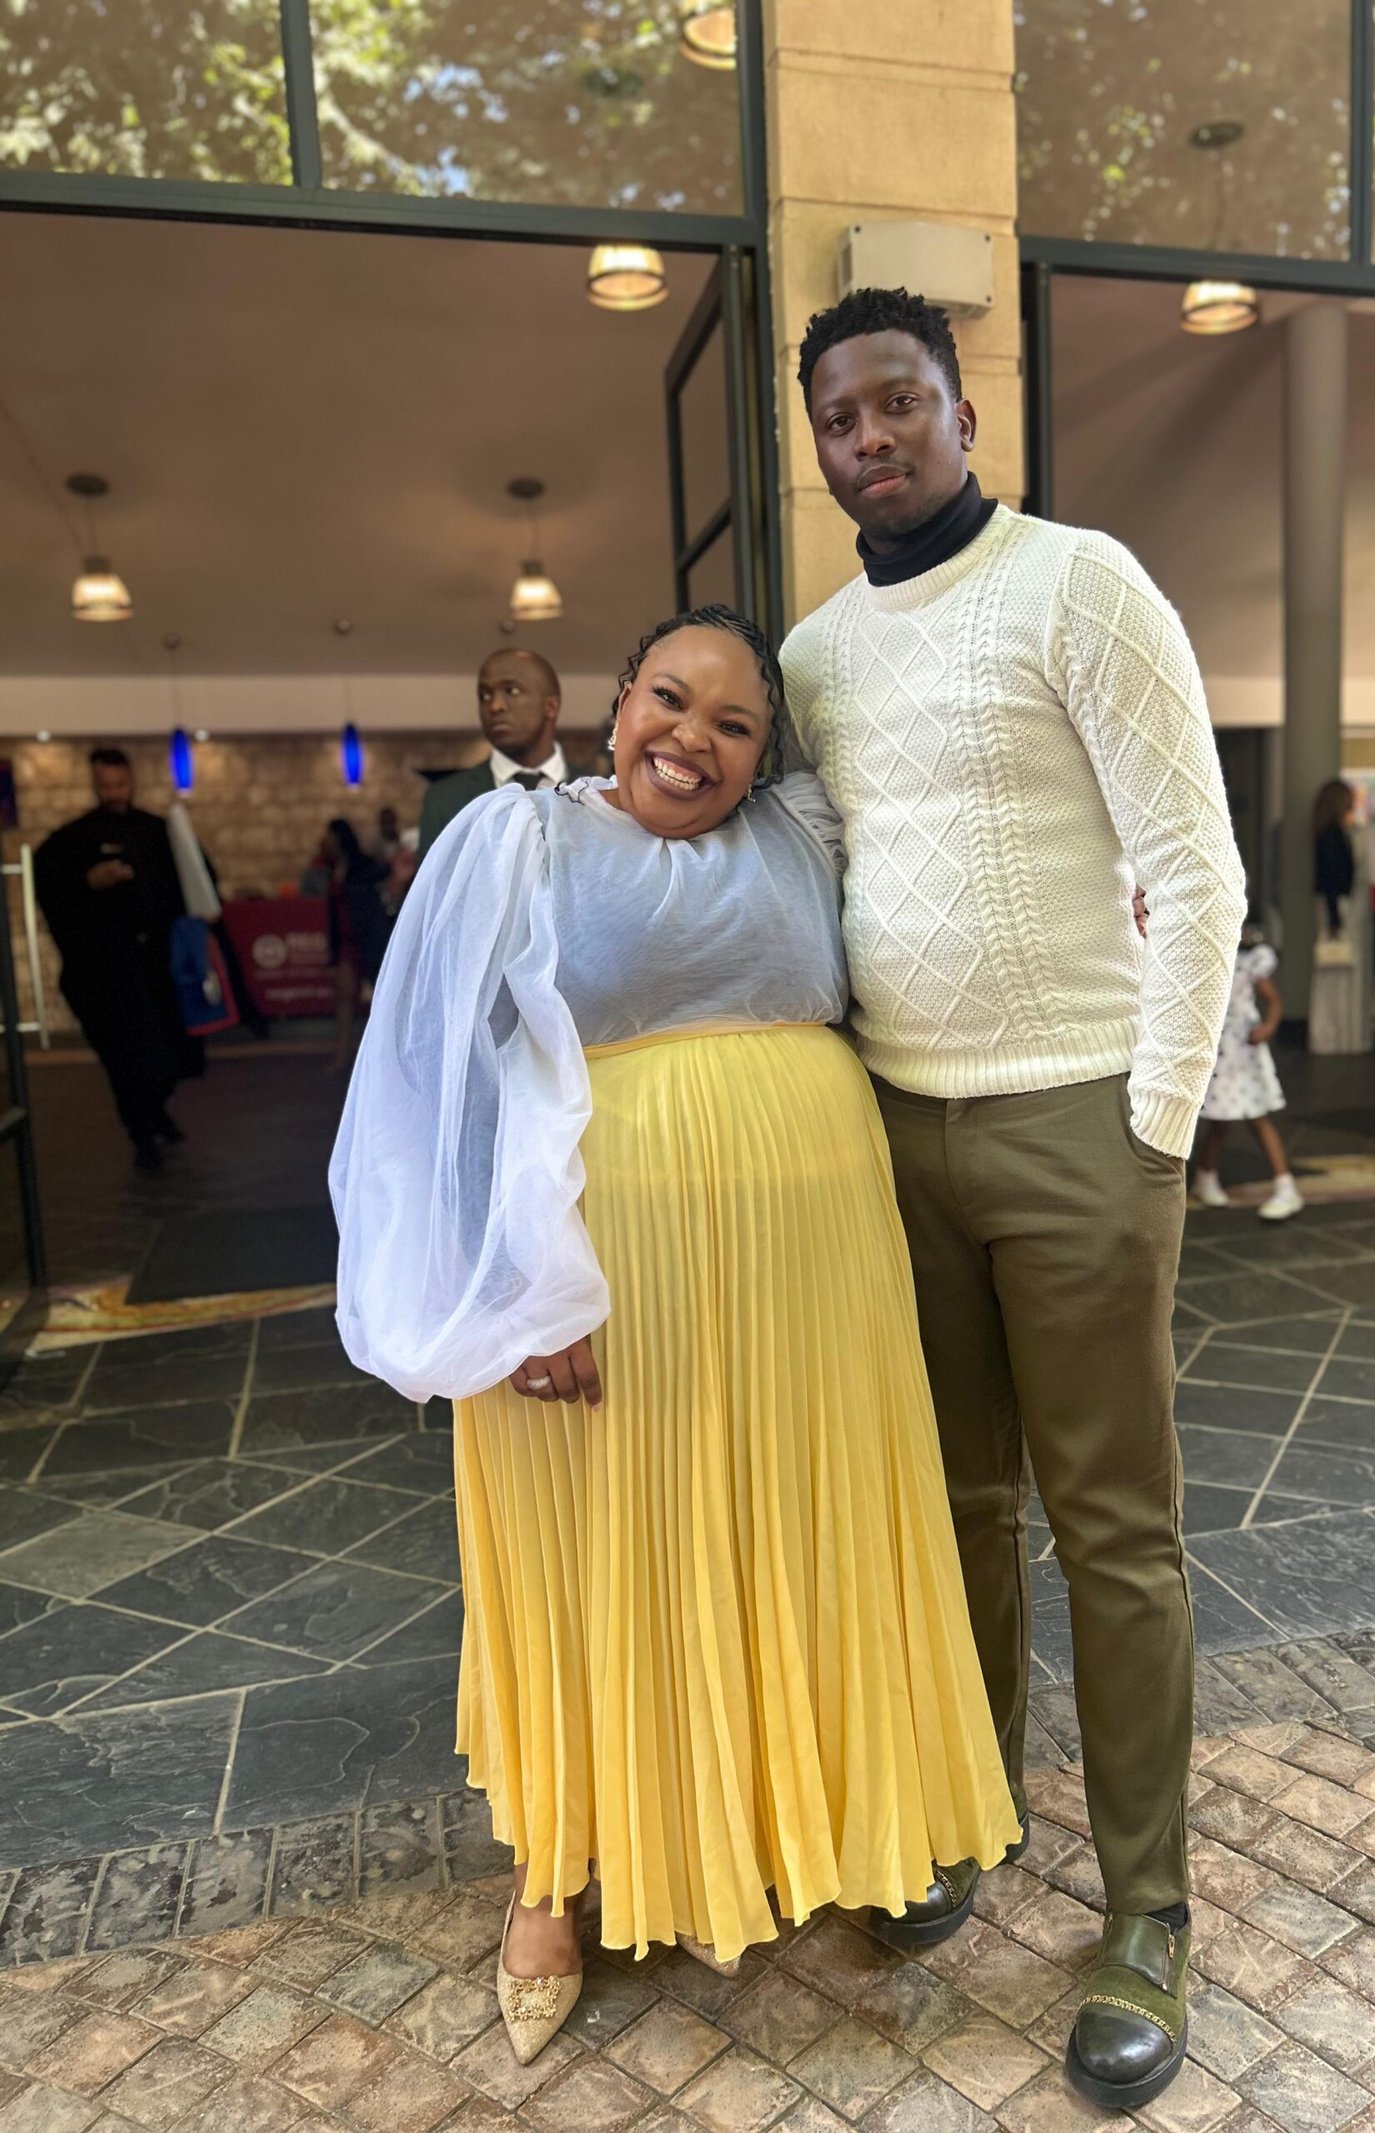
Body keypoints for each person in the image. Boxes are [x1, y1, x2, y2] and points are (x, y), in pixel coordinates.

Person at [331, 606, 1019, 2068]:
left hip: (810, 1281)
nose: (690, 738)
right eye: (668, 698)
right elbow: (444, 1084)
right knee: (597, 1550)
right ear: (616, 703)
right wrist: (519, 1298)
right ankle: (553, 1876)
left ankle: (769, 1830)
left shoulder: (804, 835)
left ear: (770, 754)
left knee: (789, 1534)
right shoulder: (517, 841)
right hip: (602, 1281)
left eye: (732, 723)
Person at [781, 287, 1246, 2112]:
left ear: (964, 414)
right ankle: (971, 1813)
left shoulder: (1080, 584)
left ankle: (1149, 1912)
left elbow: (1194, 868)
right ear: (821, 452)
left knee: (1111, 1527)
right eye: (842, 418)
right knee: (959, 1511)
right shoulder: (816, 657)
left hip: (1075, 1122)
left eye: (901, 401)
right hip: (899, 1134)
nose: (873, 437)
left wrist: (1155, 1127)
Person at [34, 747, 203, 1172]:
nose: (113, 793)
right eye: (105, 785)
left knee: (170, 1055)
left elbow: (191, 883)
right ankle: (142, 1133)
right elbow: (53, 887)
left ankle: (155, 1113)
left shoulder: (155, 831)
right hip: (107, 973)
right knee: (127, 1060)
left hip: (157, 968)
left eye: (120, 784)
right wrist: (88, 883)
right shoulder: (72, 842)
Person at [1192, 921, 1302, 1219]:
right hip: (1219, 1049)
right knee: (1219, 1118)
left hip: (1242, 1048)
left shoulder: (1247, 963)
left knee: (1256, 1116)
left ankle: (1285, 1185)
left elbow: (1274, 1001)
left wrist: (1267, 1027)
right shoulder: (1207, 960)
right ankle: (1206, 1175)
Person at [417, 647, 567, 858]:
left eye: (511, 691)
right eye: (485, 695)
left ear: (551, 706)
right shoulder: (444, 801)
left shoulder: (602, 793)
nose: (494, 706)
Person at [323, 819, 393, 1073]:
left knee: (378, 999)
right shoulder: (334, 868)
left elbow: (382, 874)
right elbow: (332, 913)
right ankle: (343, 1054)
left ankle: (380, 1058)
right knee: (344, 998)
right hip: (345, 939)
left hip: (366, 938)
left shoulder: (361, 865)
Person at [1309, 778, 1371, 1055]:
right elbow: (1333, 881)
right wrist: (1335, 918)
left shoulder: (1329, 834)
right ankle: (1337, 1034)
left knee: (1334, 969)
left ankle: (1334, 1034)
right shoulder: (1333, 836)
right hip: (1339, 908)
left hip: (1335, 907)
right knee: (1340, 970)